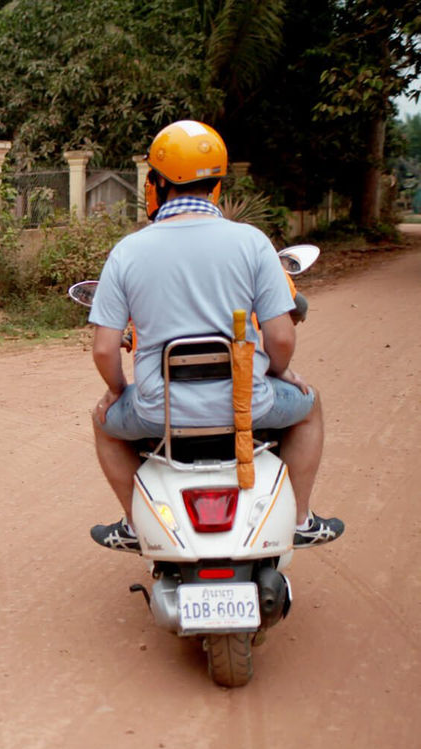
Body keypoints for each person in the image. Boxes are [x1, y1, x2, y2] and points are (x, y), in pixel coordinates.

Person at [87, 120, 343, 552]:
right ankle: (299, 520)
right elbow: (280, 338)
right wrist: (280, 374)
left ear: (157, 183)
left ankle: (135, 525)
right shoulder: (253, 243)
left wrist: (116, 390)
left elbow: (104, 347)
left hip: (158, 412)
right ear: (216, 184)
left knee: (102, 425)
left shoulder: (128, 251)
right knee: (310, 406)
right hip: (250, 405)